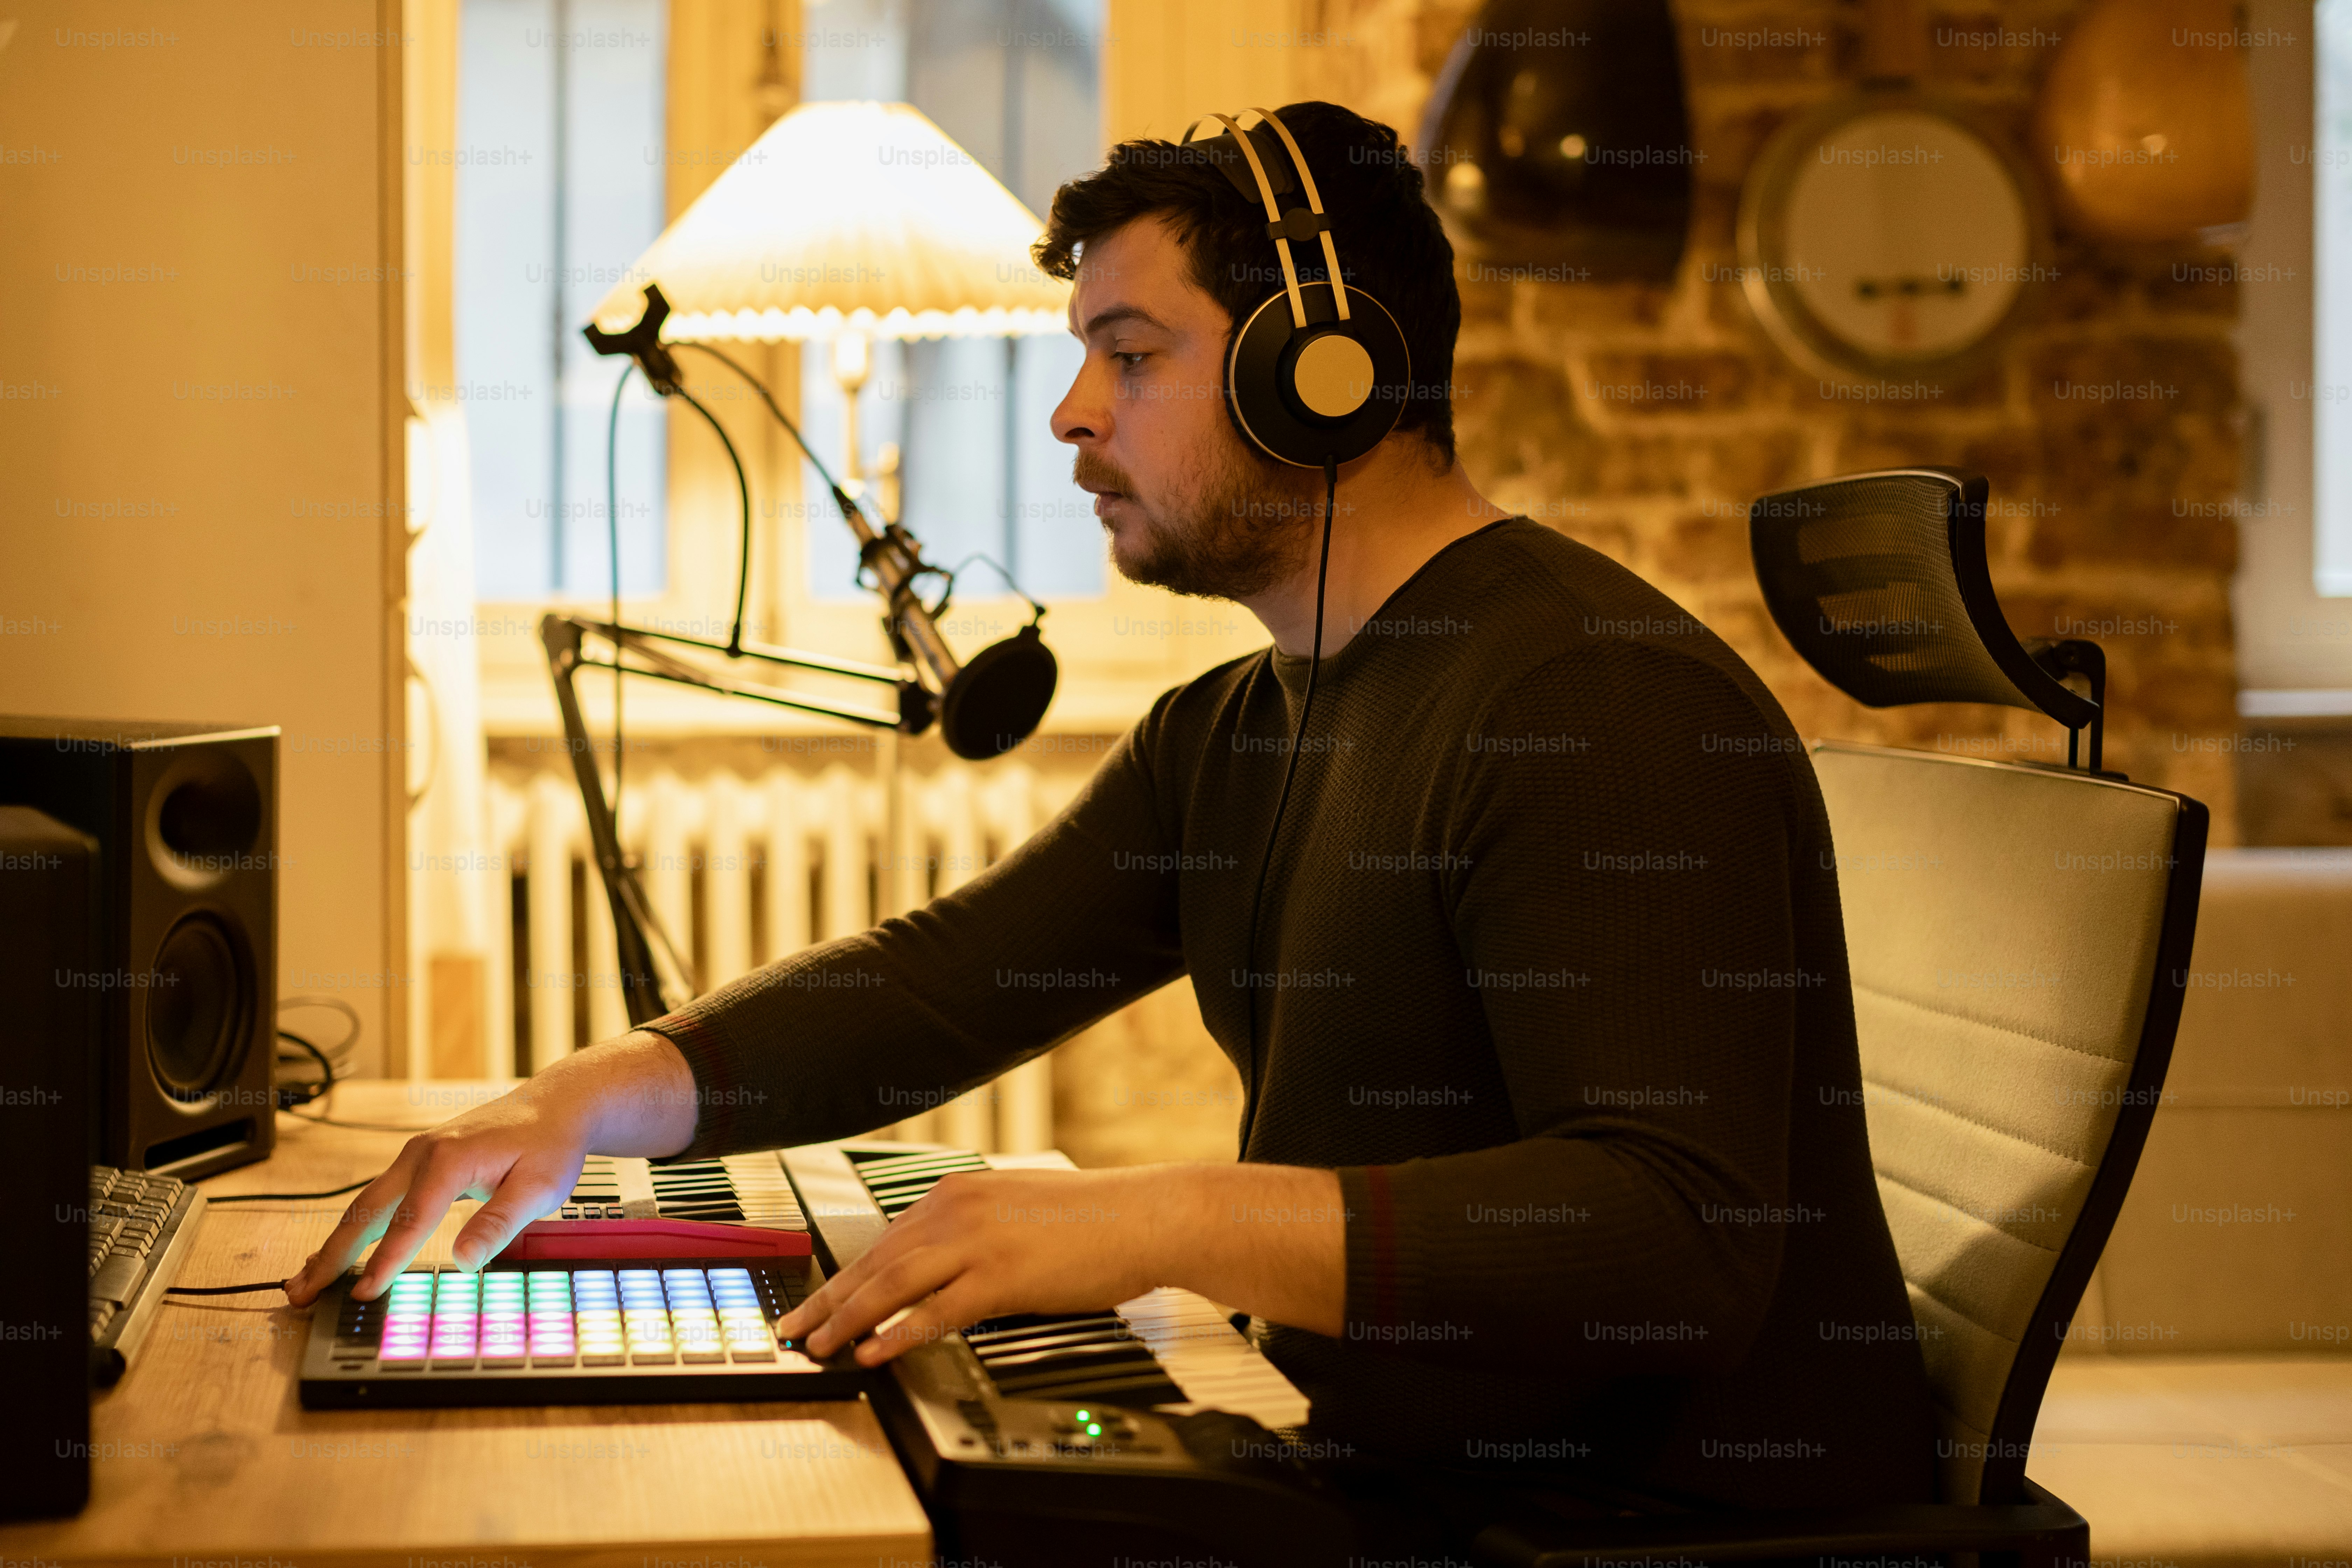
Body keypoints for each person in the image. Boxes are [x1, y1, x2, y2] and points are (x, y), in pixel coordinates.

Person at [286, 100, 1933, 1517]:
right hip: (1407, 1471)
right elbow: (949, 981)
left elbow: (1677, 1240)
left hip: (1619, 1526)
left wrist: (1154, 1219)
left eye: (1130, 356)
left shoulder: (1594, 703)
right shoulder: (1239, 722)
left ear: (1324, 370)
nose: (1075, 414)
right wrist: (590, 1095)